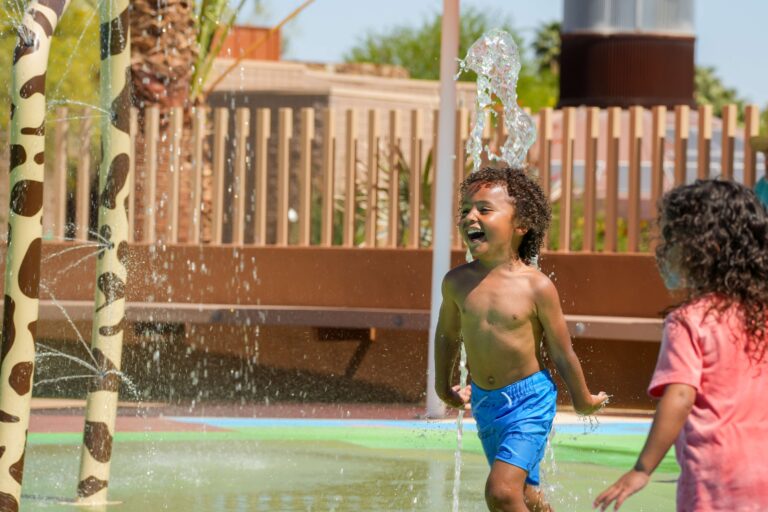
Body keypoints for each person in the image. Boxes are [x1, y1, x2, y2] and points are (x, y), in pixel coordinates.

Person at [435, 166, 608, 512]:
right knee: (525, 496)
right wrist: (443, 386)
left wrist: (583, 398)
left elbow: (562, 352)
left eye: (484, 209)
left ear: (520, 225)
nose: (470, 216)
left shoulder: (536, 286)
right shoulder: (456, 282)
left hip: (529, 401)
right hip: (486, 403)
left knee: (500, 492)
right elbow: (447, 336)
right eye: (465, 209)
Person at [594, 179, 768, 511]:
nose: (664, 249)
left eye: (672, 239)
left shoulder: (690, 320)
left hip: (716, 475)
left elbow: (681, 395)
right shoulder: (761, 315)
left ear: (704, 251)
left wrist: (642, 469)